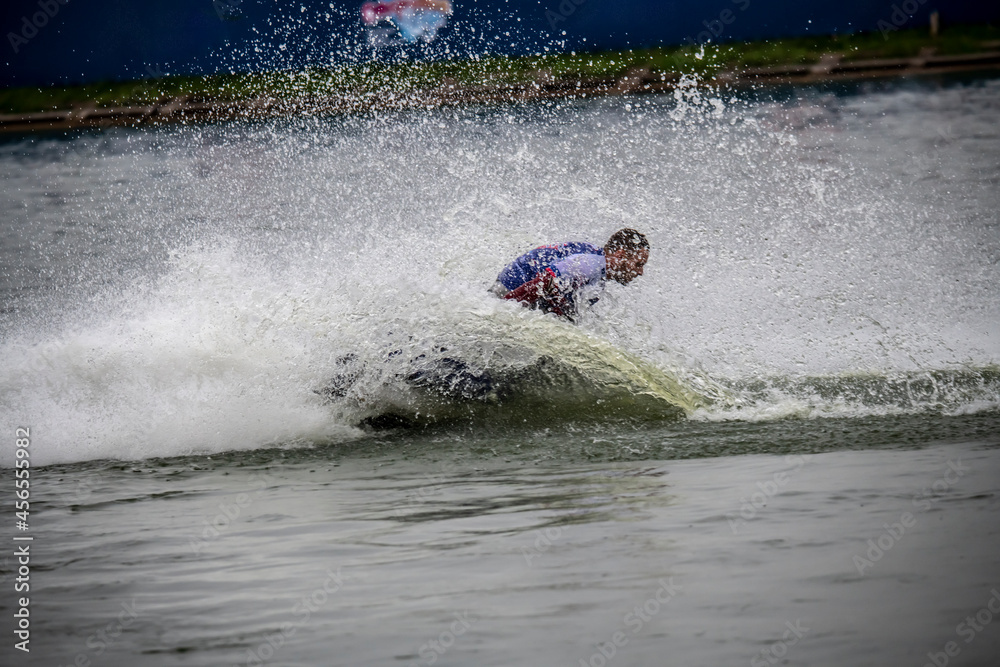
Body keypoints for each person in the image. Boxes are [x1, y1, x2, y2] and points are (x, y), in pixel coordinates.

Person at [491, 228, 649, 321]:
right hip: (510, 290)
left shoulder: (597, 272)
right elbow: (543, 281)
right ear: (620, 255)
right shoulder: (591, 264)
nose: (640, 272)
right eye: (638, 264)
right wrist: (502, 313)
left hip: (513, 288)